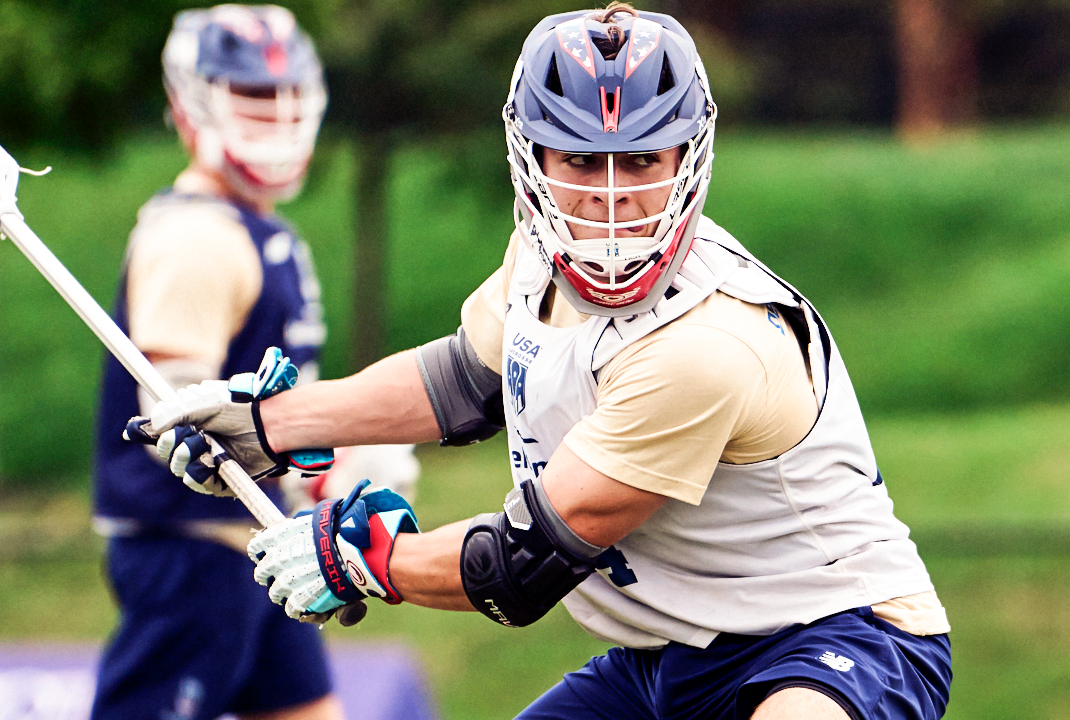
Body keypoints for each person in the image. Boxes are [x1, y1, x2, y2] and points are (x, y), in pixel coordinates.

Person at [137, 4, 952, 719]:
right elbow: (462, 381)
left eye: (638, 160)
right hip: (670, 656)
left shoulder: (708, 345)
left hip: (835, 639)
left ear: (687, 159)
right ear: (531, 158)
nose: (608, 199)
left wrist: (362, 559)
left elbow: (524, 564)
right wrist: (269, 423)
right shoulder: (535, 255)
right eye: (578, 161)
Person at [90, 6, 343, 720]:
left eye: (286, 97)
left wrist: (330, 470)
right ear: (190, 103)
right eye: (254, 98)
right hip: (194, 551)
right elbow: (176, 413)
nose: (276, 118)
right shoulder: (195, 236)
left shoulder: (260, 228)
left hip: (261, 544)